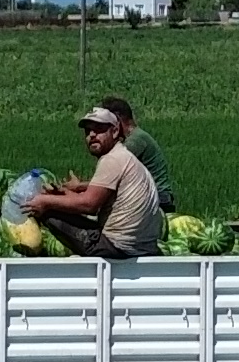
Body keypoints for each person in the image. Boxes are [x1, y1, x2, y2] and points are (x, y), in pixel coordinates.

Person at [24, 105, 164, 257]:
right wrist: (63, 194)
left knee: (49, 210)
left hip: (118, 247)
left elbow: (89, 205)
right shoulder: (122, 156)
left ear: (115, 131)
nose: (92, 135)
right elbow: (93, 199)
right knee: (57, 204)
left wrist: (45, 201)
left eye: (99, 129)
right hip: (142, 246)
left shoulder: (112, 159)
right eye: (88, 131)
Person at [96, 95, 173, 213]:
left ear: (117, 119)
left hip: (157, 198)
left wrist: (81, 187)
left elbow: (111, 176)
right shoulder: (136, 138)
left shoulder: (135, 141)